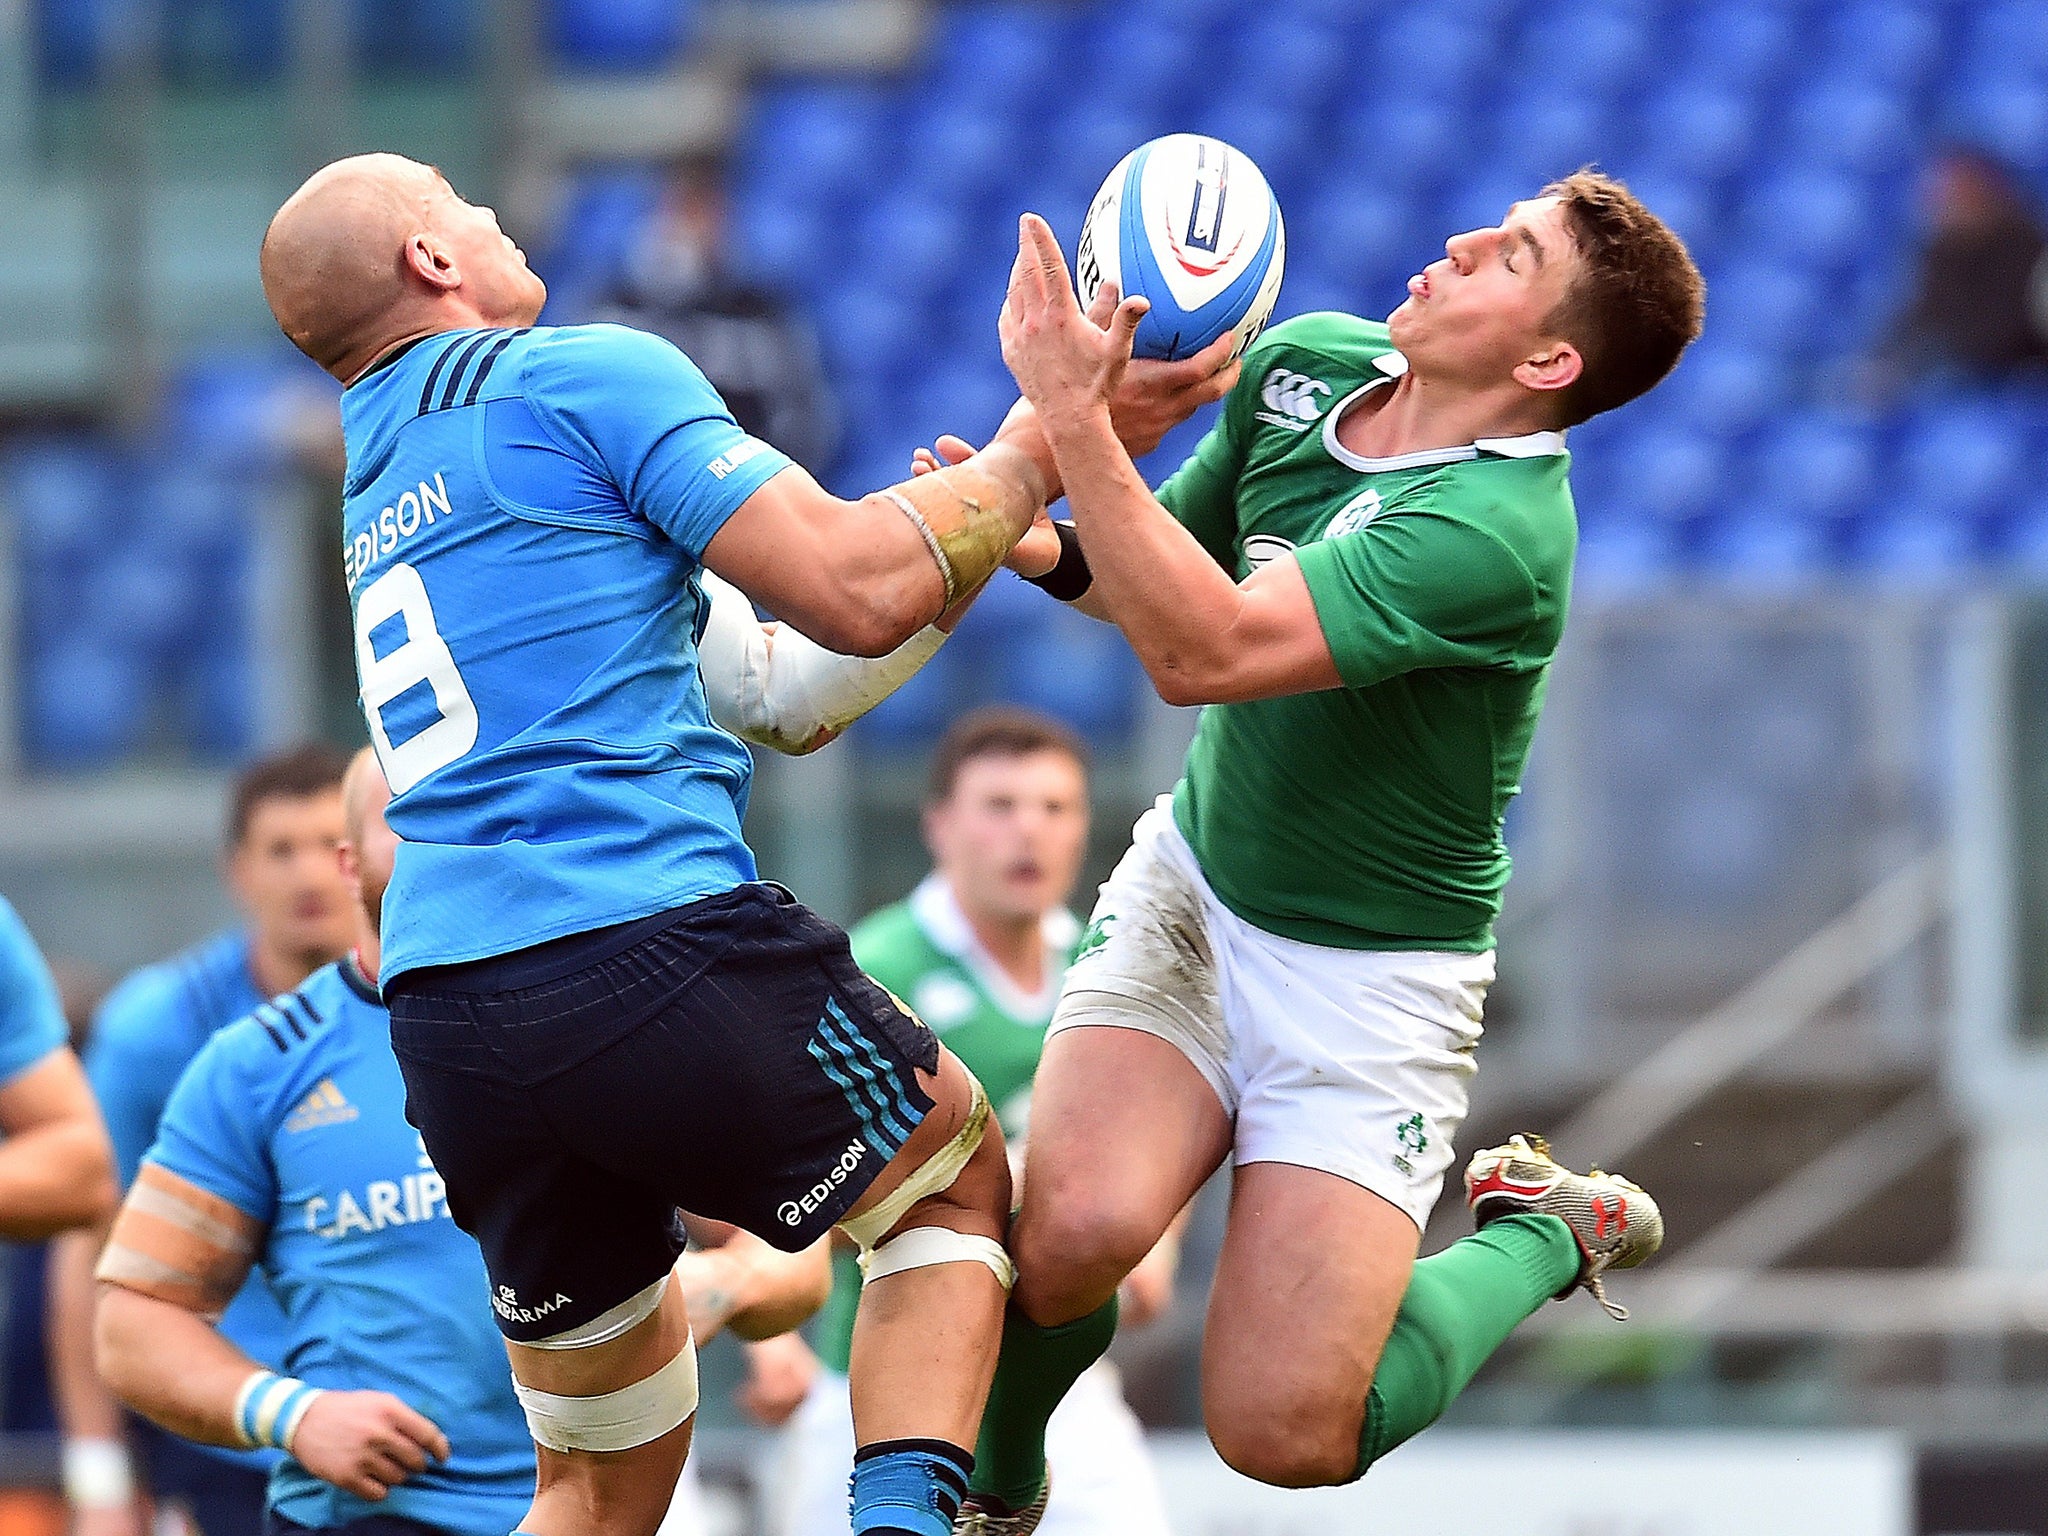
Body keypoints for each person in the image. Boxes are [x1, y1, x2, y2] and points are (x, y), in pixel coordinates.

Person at [255, 152, 1229, 1536]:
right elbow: (850, 584)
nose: (493, 212)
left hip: (452, 1020)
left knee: (600, 1478)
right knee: (950, 1184)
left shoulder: (389, 474)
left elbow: (781, 688)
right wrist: (1055, 432)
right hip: (638, 938)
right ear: (429, 260)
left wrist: (1000, 502)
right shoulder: (577, 376)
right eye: (463, 201)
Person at [926, 170, 1705, 1527]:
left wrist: (1067, 414)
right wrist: (1048, 548)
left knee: (1287, 1434)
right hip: (1201, 891)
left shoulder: (1495, 534)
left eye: (1507, 255)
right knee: (1067, 1239)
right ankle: (996, 1491)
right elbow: (1172, 567)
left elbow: (1206, 652)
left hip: (1369, 986)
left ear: (1547, 358)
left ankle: (1545, 1229)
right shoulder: (1304, 366)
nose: (1456, 241)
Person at [91, 750, 834, 1536]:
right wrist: (291, 1412)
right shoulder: (262, 1063)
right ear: (350, 864)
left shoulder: (607, 1022)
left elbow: (794, 1243)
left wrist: (718, 1290)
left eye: (460, 812)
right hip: (375, 1515)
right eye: (405, 816)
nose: (438, 836)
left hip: (615, 1503)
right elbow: (135, 1318)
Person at [758, 709, 1173, 1536]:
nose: (1030, 831)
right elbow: (794, 1166)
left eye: (1055, 808)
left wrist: (1151, 1234)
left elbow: (1172, 1105)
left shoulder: (1109, 963)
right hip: (874, 1385)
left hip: (1066, 1387)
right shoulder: (873, 971)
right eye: (1001, 805)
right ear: (939, 824)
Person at [51, 745, 355, 1536]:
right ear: (237, 871)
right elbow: (94, 1248)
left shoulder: (452, 1008)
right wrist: (100, 1477)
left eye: (331, 844)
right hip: (231, 1443)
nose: (309, 875)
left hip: (431, 1432)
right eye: (280, 850)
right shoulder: (159, 1029)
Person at [591, 153, 838, 473]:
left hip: (741, 491)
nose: (689, 227)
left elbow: (805, 418)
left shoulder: (761, 317)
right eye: (680, 210)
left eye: (703, 212)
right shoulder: (616, 307)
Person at [1865, 145, 2048, 394]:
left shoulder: (2028, 245)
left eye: (1961, 189)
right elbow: (1920, 315)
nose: (1950, 200)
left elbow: (2003, 334)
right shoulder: (1939, 253)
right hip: (1967, 377)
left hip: (2022, 377)